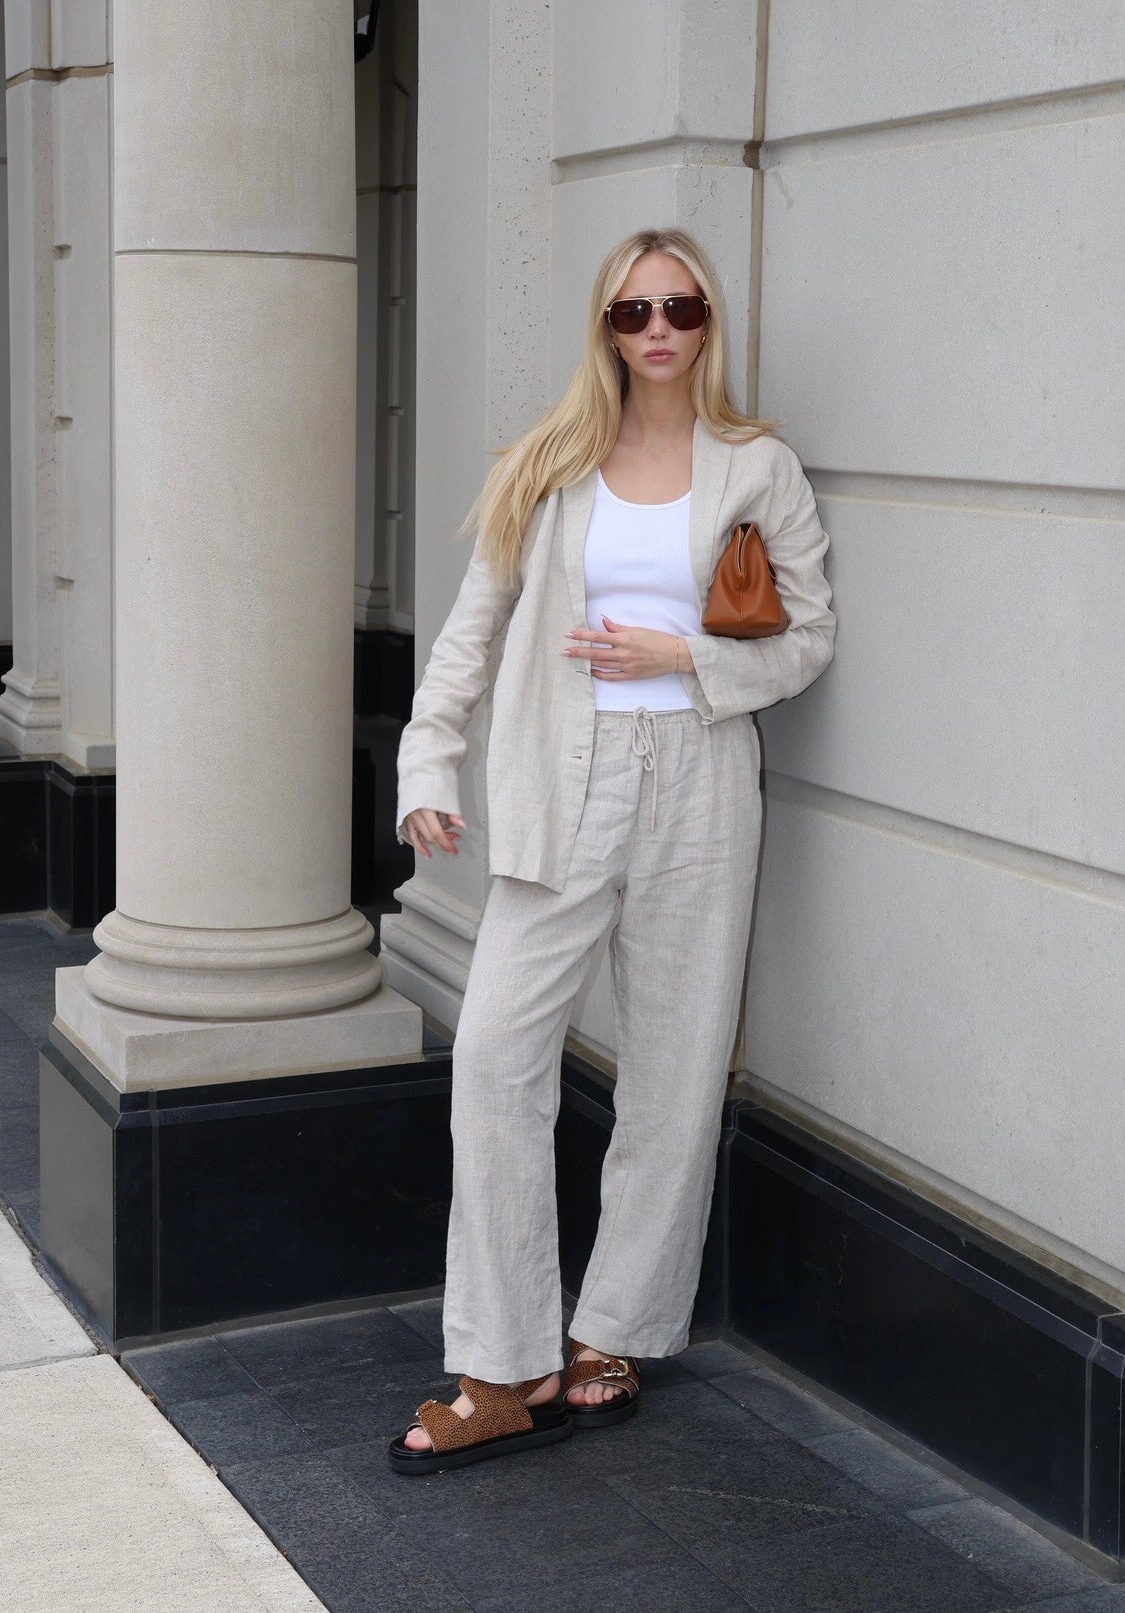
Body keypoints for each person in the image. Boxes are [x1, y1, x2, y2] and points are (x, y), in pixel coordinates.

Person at [386, 226, 836, 1474]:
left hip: (699, 781)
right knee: (495, 1056)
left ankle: (614, 1330)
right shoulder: (548, 466)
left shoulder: (757, 467)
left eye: (681, 309)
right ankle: (502, 1356)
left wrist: (683, 653)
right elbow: (469, 638)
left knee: (676, 1071)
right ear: (604, 326)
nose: (657, 331)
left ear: (708, 325)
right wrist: (428, 764)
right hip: (565, 784)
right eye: (634, 310)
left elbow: (808, 642)